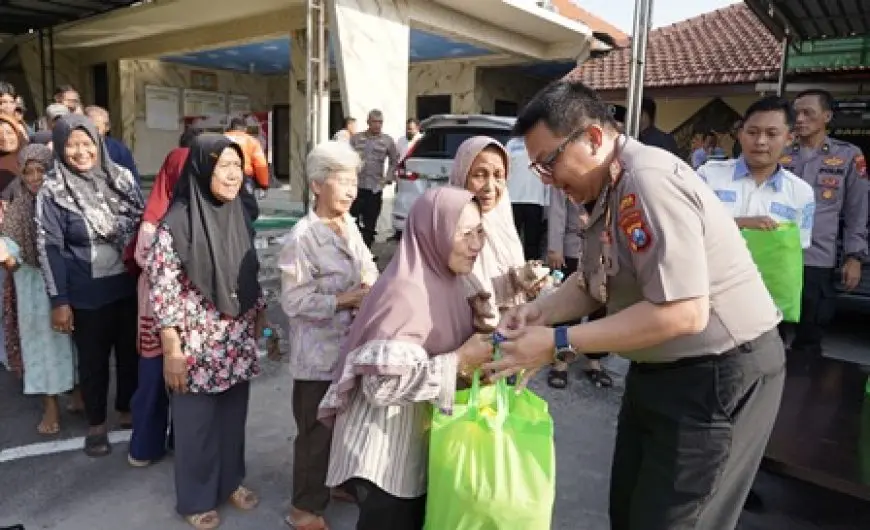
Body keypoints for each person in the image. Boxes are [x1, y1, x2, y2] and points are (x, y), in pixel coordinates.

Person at [485, 79, 785, 530]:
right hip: (658, 371)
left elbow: (683, 311)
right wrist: (539, 312)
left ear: (593, 137)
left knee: (676, 520)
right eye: (538, 168)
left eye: (550, 162)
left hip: (716, 374)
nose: (548, 179)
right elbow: (593, 282)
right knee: (629, 513)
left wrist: (557, 342)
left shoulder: (648, 180)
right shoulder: (606, 187)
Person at [318, 187, 493, 530]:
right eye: (465, 234)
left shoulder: (450, 279)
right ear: (433, 234)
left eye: (480, 232)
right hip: (385, 459)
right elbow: (381, 386)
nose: (476, 245)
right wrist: (458, 361)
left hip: (418, 442)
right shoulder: (405, 293)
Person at [699, 94, 815, 513]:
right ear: (740, 133)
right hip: (707, 307)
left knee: (751, 403)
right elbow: (686, 228)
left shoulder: (801, 193)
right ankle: (698, 480)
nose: (760, 142)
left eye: (771, 133)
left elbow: (793, 254)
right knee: (705, 396)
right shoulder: (709, 176)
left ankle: (738, 482)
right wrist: (741, 224)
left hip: (765, 315)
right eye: (752, 132)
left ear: (789, 139)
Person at [148, 134, 265, 530]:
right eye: (223, 166)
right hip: (194, 343)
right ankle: (196, 497)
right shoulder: (176, 224)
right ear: (201, 169)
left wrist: (260, 314)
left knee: (233, 417)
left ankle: (230, 480)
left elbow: (250, 270)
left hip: (235, 336)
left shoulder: (239, 213)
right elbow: (162, 290)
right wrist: (172, 349)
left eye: (237, 167)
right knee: (196, 424)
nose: (233, 175)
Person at [279, 140, 379, 530]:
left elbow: (368, 265)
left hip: (349, 348)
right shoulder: (302, 237)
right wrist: (345, 299)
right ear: (318, 185)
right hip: (317, 357)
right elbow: (294, 301)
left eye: (354, 181)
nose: (352, 190)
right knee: (315, 434)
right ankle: (303, 508)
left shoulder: (348, 224)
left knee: (345, 423)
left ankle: (336, 482)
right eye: (343, 181)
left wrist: (370, 285)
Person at [36, 114, 143, 457]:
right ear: (60, 147)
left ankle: (126, 407)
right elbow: (49, 247)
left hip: (128, 283)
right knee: (93, 359)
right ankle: (96, 423)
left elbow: (143, 225)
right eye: (72, 145)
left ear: (98, 143)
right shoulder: (53, 189)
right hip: (86, 291)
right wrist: (59, 300)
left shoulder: (121, 178)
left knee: (130, 353)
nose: (81, 152)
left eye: (87, 143)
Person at [127, 127, 200, 468]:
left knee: (188, 383)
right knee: (154, 381)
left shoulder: (204, 213)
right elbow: (147, 260)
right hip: (158, 313)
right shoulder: (153, 221)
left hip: (194, 315)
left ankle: (180, 441)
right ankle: (145, 445)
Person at [779, 89, 868, 356]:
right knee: (769, 334)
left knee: (810, 336)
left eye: (808, 113)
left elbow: (857, 209)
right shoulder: (779, 151)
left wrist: (854, 256)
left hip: (817, 259)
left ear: (826, 117)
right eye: (796, 113)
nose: (800, 119)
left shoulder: (848, 156)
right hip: (777, 255)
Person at [0, 144, 76, 435]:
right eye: (28, 172)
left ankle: (79, 393)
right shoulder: (18, 207)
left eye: (40, 171)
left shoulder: (64, 199)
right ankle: (50, 406)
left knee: (74, 341)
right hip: (31, 286)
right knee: (41, 346)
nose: (34, 178)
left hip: (65, 280)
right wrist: (7, 257)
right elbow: (10, 250)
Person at [448, 136, 536, 330]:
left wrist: (524, 280)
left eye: (498, 175)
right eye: (479, 175)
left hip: (509, 333)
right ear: (461, 175)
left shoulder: (503, 219)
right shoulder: (448, 229)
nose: (490, 187)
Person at [546, 187, 612, 389]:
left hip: (605, 250)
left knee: (601, 307)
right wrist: (555, 247)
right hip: (573, 246)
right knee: (568, 308)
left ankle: (594, 359)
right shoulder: (564, 178)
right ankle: (561, 361)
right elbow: (557, 211)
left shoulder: (614, 179)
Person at [349, 109, 399, 248]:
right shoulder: (356, 139)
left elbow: (394, 161)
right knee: (351, 221)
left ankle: (366, 251)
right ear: (368, 122)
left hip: (374, 188)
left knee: (370, 223)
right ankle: (355, 249)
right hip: (356, 187)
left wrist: (387, 178)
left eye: (380, 122)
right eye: (374, 122)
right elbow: (347, 158)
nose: (377, 125)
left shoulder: (387, 140)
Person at [506, 136, 550, 261]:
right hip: (513, 199)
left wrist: (547, 202)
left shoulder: (542, 142)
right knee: (511, 240)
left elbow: (547, 172)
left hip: (536, 200)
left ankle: (531, 270)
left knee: (532, 243)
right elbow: (505, 170)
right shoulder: (512, 144)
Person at [84, 105, 141, 186]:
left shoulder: (119, 150)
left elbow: (133, 180)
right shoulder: (74, 147)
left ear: (107, 127)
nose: (91, 132)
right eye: (87, 128)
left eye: (96, 128)